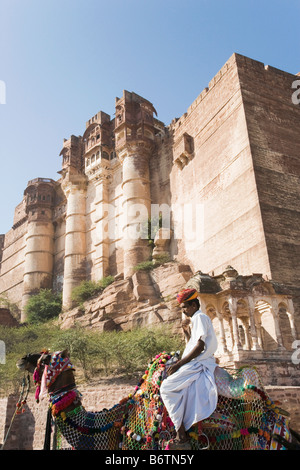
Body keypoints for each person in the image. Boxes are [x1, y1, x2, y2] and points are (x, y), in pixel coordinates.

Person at [160, 288, 218, 449]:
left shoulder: (199, 317)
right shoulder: (198, 319)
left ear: (193, 305)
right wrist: (187, 332)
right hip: (197, 362)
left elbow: (199, 347)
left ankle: (181, 435)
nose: (183, 310)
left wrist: (179, 364)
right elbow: (193, 343)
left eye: (185, 307)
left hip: (198, 363)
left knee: (166, 388)